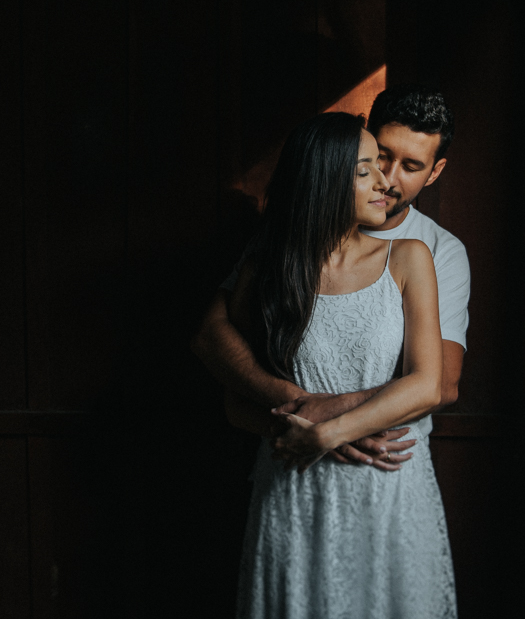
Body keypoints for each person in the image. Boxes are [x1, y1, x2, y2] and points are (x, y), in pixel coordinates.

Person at [221, 110, 455, 618]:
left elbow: (427, 385)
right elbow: (236, 401)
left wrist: (327, 435)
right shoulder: (266, 269)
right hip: (294, 486)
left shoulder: (409, 258)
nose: (385, 182)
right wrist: (295, 433)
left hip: (389, 487)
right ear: (323, 179)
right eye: (366, 169)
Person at [194, 89, 468, 469]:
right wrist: (302, 417)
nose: (388, 179)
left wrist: (328, 421)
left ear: (434, 171)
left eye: (410, 166)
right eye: (379, 157)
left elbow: (440, 384)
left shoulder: (435, 251)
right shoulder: (278, 247)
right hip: (291, 459)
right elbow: (213, 337)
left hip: (386, 460)